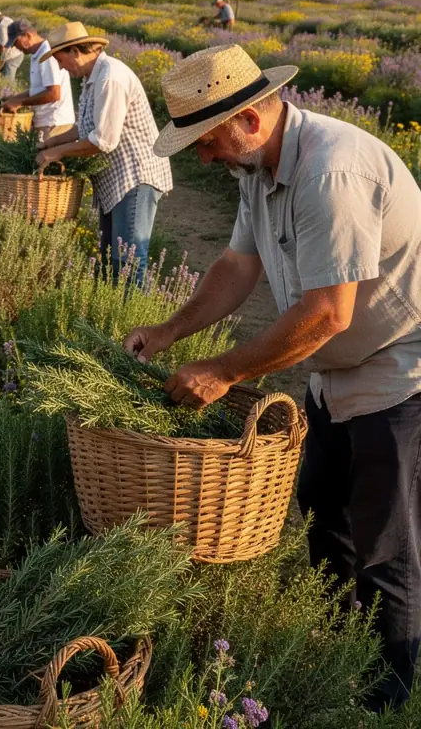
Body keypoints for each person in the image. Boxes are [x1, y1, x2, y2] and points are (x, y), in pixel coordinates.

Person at [123, 43, 421, 711]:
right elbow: (236, 265)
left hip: (400, 368)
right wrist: (172, 331)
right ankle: (350, 650)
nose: (202, 158)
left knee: (386, 540)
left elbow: (326, 313)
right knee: (322, 510)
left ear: (250, 122)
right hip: (337, 371)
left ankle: (393, 696)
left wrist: (226, 370)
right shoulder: (259, 170)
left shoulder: (332, 172)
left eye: (205, 142)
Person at [35, 22, 172, 282]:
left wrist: (58, 153)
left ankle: (134, 319)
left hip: (135, 176)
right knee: (111, 257)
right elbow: (84, 128)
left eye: (61, 60)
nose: (61, 67)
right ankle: (117, 318)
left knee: (128, 260)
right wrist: (50, 143)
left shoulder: (111, 77)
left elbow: (103, 140)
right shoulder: (91, 78)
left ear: (75, 51)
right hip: (116, 178)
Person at [0, 18, 75, 143]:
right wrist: (15, 98)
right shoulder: (37, 55)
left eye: (16, 42)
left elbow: (54, 93)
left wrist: (21, 102)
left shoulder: (47, 55)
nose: (16, 48)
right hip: (47, 123)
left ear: (28, 35)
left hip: (55, 123)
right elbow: (39, 89)